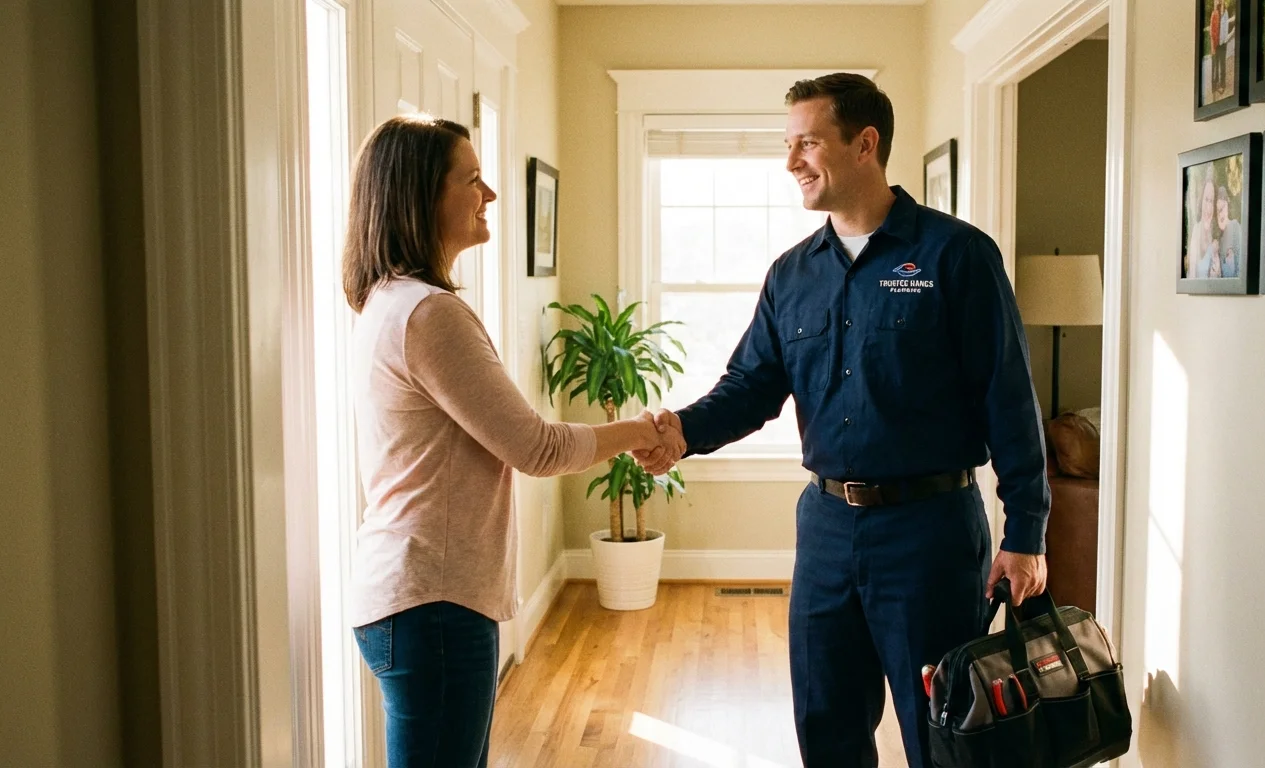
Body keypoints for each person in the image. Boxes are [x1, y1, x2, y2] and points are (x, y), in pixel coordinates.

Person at [635, 74, 1050, 768]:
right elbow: (750, 387)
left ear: (865, 144)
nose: (792, 161)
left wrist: (1026, 531)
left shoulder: (957, 256)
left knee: (946, 735)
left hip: (931, 535)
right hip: (826, 529)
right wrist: (681, 431)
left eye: (808, 142)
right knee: (825, 726)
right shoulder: (791, 274)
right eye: (787, 144)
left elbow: (1009, 398)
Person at [342, 114, 668, 768]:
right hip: (432, 603)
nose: (489, 194)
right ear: (422, 196)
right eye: (471, 180)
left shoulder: (391, 300)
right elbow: (536, 447)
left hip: (415, 595)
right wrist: (640, 430)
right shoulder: (429, 314)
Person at [1188, 178, 1218, 278]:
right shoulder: (1196, 231)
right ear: (1201, 201)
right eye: (1206, 200)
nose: (1208, 207)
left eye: (1211, 201)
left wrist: (1216, 272)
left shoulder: (1216, 236)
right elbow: (1191, 275)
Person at [1215, 185, 1241, 278]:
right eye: (1218, 211)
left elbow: (1241, 269)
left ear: (1227, 207)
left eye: (1223, 209)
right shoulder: (1217, 237)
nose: (1221, 214)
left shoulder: (1235, 227)